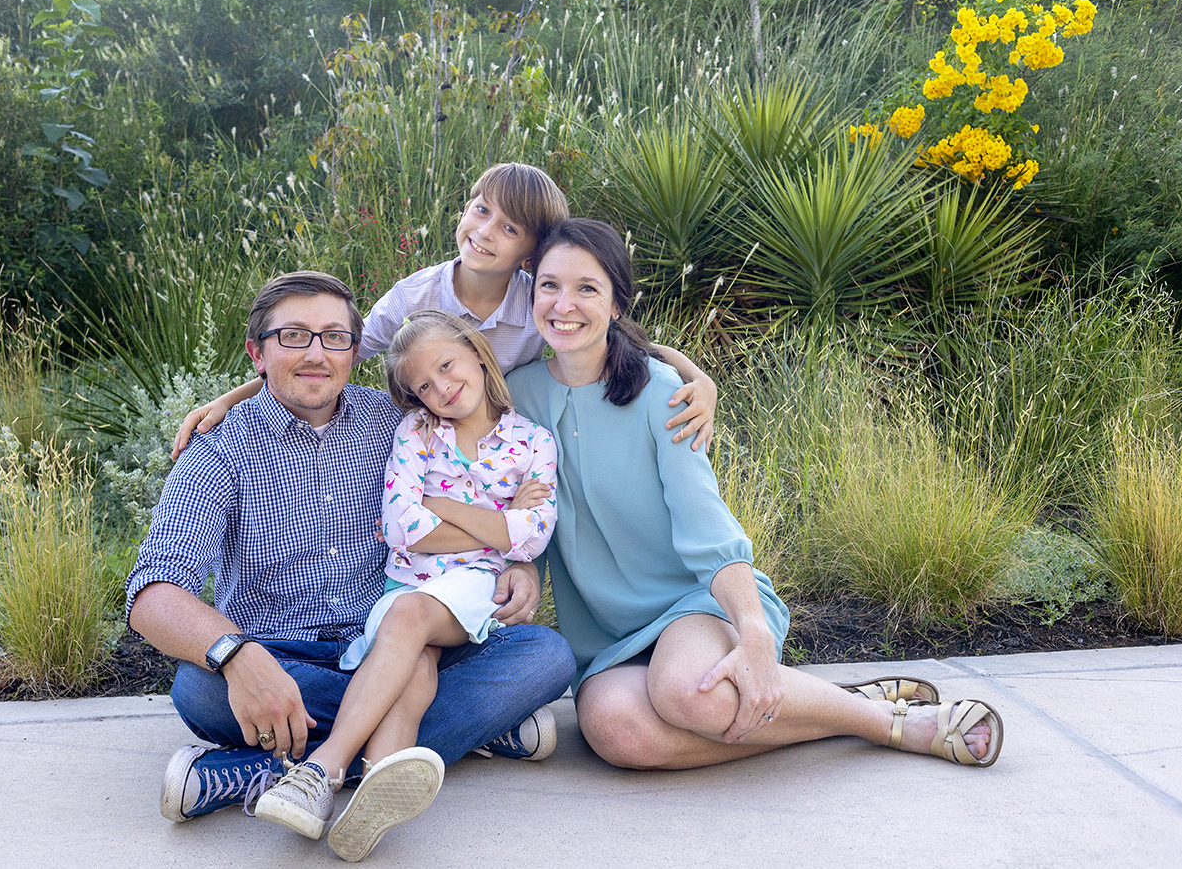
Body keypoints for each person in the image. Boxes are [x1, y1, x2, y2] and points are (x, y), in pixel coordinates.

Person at [505, 219, 1004, 771]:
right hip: (606, 634)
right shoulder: (517, 394)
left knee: (686, 692)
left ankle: (890, 724)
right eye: (549, 285)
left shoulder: (663, 392)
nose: (563, 304)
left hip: (692, 604)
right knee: (615, 732)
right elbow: (522, 507)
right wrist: (524, 568)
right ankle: (831, 710)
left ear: (618, 303)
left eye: (587, 288)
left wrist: (751, 628)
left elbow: (705, 522)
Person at [125, 272, 574, 855]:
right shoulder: (220, 449)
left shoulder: (399, 418)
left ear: (354, 352)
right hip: (290, 660)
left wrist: (519, 564)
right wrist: (238, 658)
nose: (317, 353)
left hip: (410, 642)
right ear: (256, 352)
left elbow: (486, 461)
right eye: (294, 336)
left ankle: (252, 772)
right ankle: (463, 736)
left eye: (334, 337)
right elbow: (153, 593)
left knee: (544, 656)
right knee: (198, 688)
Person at [252, 310, 557, 860]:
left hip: (473, 586)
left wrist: (440, 507)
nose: (441, 387)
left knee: (419, 621)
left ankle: (322, 768)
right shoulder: (416, 431)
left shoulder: (533, 442)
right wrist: (493, 522)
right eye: (423, 385)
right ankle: (373, 794)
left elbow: (530, 539)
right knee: (412, 669)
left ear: (477, 354)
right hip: (404, 584)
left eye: (447, 366)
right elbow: (401, 529)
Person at [171, 162, 719, 459]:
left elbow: (627, 341)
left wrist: (701, 380)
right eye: (481, 210)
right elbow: (334, 356)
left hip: (505, 450)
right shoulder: (418, 295)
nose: (483, 232)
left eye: (508, 227)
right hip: (431, 447)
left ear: (530, 249)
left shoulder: (539, 300)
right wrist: (228, 399)